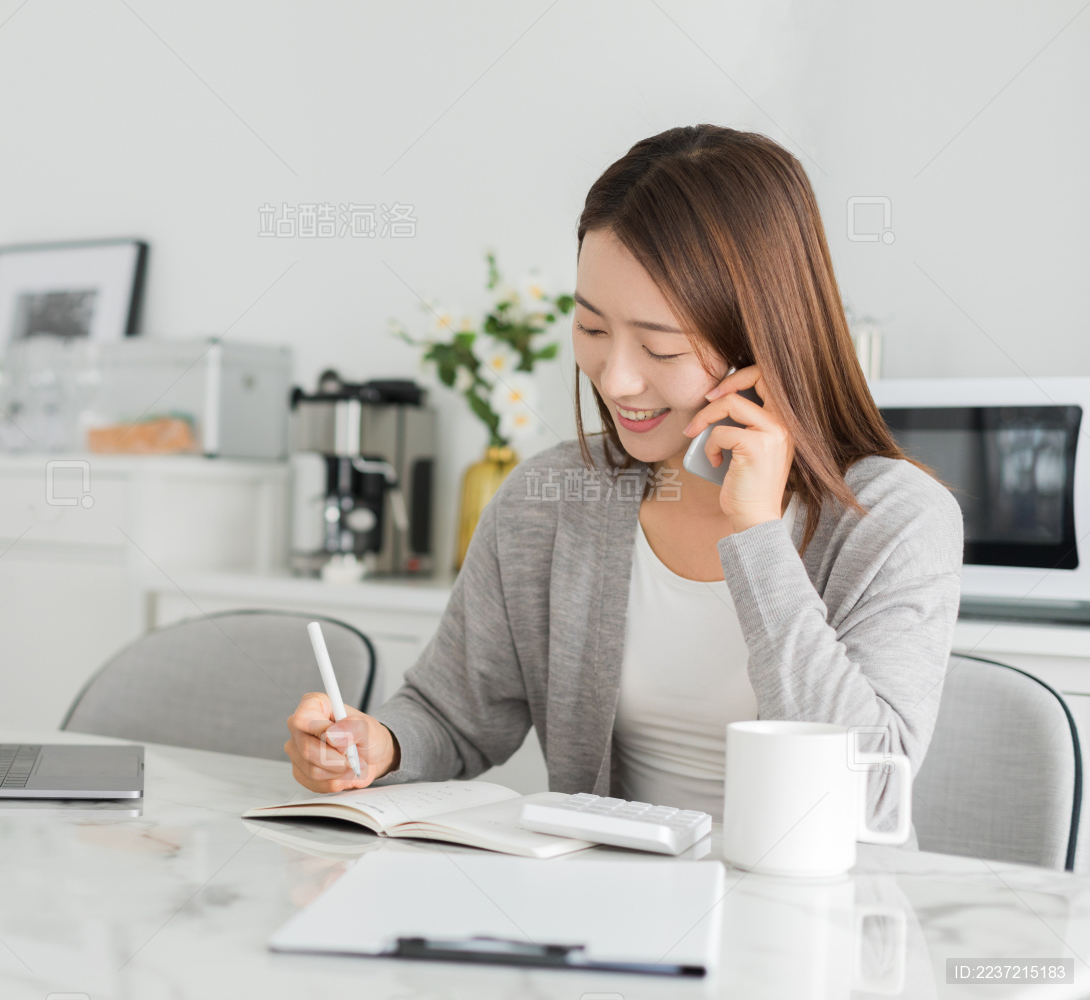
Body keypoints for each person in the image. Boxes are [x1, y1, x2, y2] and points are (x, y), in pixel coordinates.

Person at [283, 124, 963, 841]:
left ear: (761, 343)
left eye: (660, 348)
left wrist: (759, 535)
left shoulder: (895, 520)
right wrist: (377, 745)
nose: (616, 380)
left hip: (812, 907)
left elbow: (869, 797)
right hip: (609, 901)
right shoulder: (551, 499)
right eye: (592, 329)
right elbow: (449, 714)